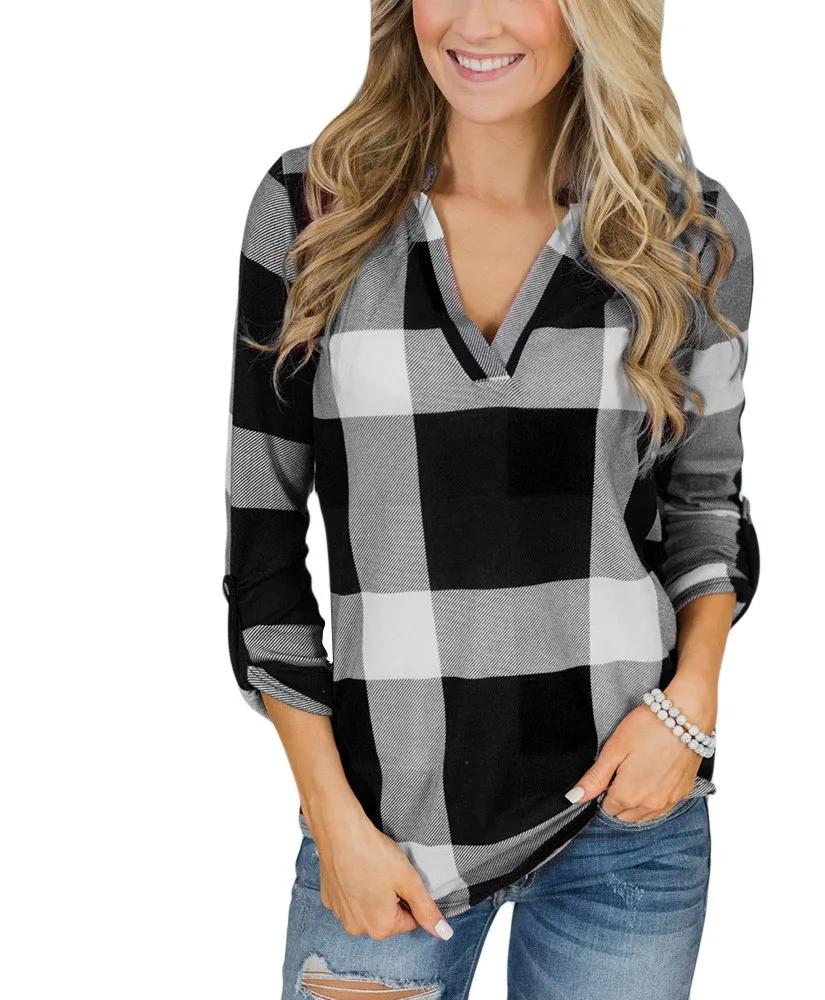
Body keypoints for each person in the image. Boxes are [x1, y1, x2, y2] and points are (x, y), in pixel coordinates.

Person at [222, 1, 759, 997]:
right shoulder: (312, 207)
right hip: (387, 839)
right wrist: (333, 818)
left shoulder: (685, 228)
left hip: (630, 821)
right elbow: (261, 546)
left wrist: (690, 705)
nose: (475, 22)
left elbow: (705, 503)